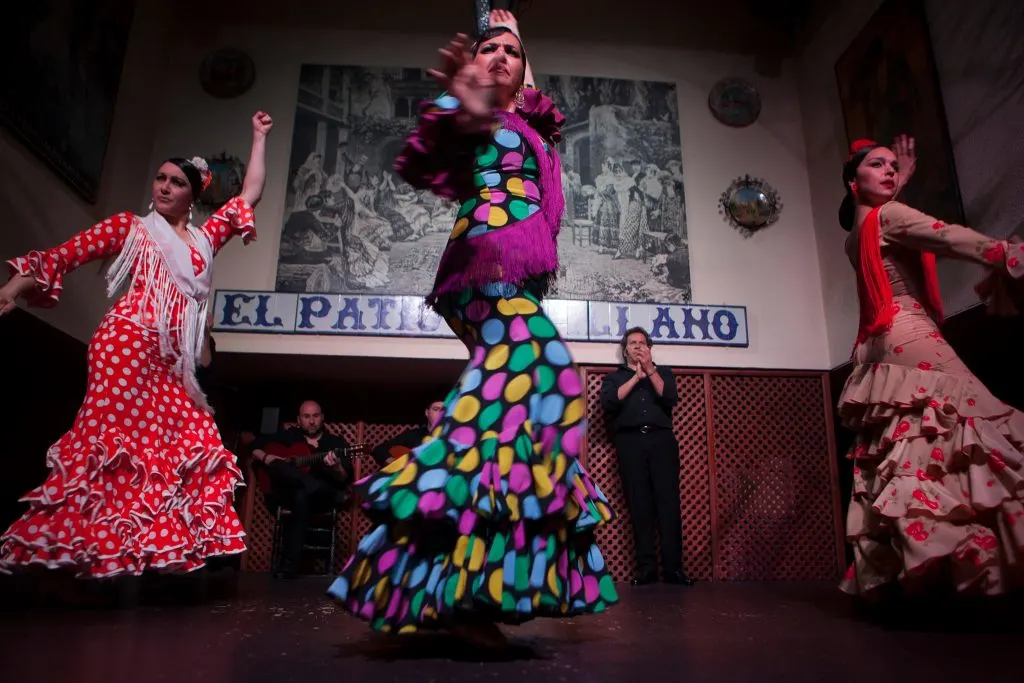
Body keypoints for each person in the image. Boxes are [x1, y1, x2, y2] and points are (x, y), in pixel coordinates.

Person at [327, 10, 618, 647]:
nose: (504, 58)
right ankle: (456, 573)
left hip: (520, 276)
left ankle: (450, 587)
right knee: (543, 384)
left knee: (510, 419)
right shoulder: (479, 112)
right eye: (491, 49)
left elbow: (528, 88)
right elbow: (428, 156)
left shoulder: (532, 122)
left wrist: (511, 36)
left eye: (514, 52)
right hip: (485, 264)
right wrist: (462, 103)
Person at [0, 111, 274, 579]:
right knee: (112, 445)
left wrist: (259, 136)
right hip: (126, 342)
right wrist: (15, 287)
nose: (164, 187)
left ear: (193, 194)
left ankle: (147, 549)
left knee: (185, 441)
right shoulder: (133, 226)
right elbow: (69, 253)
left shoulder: (206, 240)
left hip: (173, 363)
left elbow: (249, 193)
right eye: (160, 179)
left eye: (176, 183)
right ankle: (80, 550)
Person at [837, 136, 1024, 597]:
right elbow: (946, 235)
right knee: (986, 429)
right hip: (909, 333)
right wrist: (1006, 253)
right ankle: (969, 562)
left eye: (892, 167)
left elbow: (887, 223)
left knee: (916, 449)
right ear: (851, 181)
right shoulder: (890, 217)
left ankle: (923, 570)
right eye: (877, 165)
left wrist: (897, 184)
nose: (890, 171)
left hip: (880, 342)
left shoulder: (855, 233)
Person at [600, 327, 693, 586]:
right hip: (629, 443)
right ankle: (646, 570)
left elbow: (670, 397)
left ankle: (674, 570)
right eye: (633, 343)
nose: (638, 347)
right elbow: (609, 403)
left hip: (661, 441)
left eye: (642, 343)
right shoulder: (615, 378)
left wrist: (649, 371)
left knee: (668, 505)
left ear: (649, 348)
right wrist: (635, 378)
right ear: (625, 349)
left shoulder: (662, 373)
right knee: (639, 506)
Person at [251, 400, 354, 578]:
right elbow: (254, 446)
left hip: (322, 498)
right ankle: (307, 483)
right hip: (291, 495)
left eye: (315, 416)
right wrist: (267, 457)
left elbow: (345, 477)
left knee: (303, 492)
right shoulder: (288, 436)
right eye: (307, 417)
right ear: (299, 420)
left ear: (322, 418)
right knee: (297, 489)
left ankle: (288, 565)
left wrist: (336, 467)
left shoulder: (334, 443)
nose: (312, 421)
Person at [370, 399, 445, 467]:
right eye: (436, 409)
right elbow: (379, 450)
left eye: (443, 410)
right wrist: (394, 464)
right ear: (427, 413)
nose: (440, 413)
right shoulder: (413, 435)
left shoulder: (452, 437)